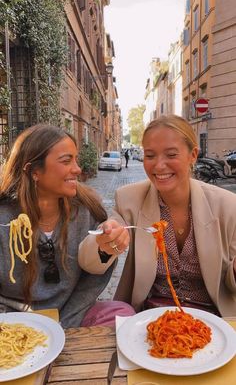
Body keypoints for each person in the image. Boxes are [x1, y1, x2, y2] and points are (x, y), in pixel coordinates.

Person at [82, 114, 236, 317]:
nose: (159, 165)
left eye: (171, 155)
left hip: (212, 317)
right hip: (151, 315)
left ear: (193, 155)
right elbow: (88, 261)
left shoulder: (227, 205)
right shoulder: (129, 198)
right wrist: (104, 242)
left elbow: (230, 287)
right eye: (150, 155)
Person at [0, 124, 134, 328]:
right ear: (34, 171)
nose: (78, 169)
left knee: (122, 315)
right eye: (66, 161)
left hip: (71, 313)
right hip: (11, 319)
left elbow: (92, 278)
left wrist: (65, 323)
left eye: (76, 159)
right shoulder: (4, 219)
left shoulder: (86, 210)